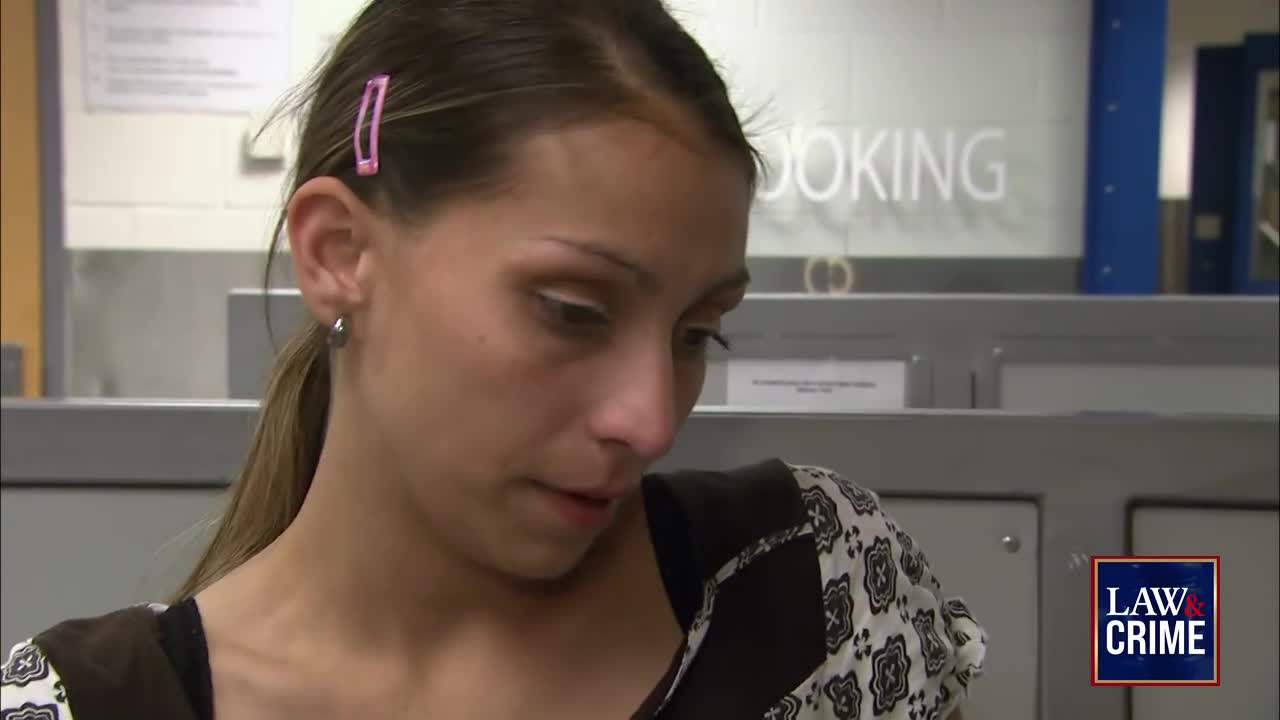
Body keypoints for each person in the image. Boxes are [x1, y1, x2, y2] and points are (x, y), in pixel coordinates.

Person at [1, 1, 985, 718]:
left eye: (696, 333)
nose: (649, 420)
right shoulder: (82, 705)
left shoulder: (823, 597)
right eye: (571, 311)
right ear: (339, 254)